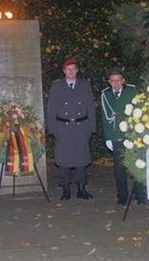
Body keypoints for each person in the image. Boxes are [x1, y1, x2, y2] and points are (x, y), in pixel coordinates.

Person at [47, 57, 96, 200]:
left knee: (81, 160)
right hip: (63, 127)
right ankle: (66, 189)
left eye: (73, 69)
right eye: (68, 69)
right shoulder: (56, 86)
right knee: (63, 160)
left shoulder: (85, 85)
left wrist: (91, 129)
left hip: (81, 127)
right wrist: (53, 130)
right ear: (64, 71)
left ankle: (82, 188)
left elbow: (91, 108)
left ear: (77, 70)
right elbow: (51, 109)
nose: (71, 71)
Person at [100, 67, 137, 205]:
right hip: (116, 135)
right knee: (119, 169)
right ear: (109, 82)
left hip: (131, 134)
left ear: (123, 81)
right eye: (113, 81)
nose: (116, 83)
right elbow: (105, 117)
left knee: (135, 165)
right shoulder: (105, 94)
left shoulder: (132, 91)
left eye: (118, 80)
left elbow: (138, 112)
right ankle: (122, 196)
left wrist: (137, 133)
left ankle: (138, 194)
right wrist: (108, 137)